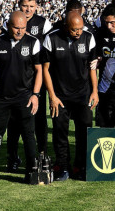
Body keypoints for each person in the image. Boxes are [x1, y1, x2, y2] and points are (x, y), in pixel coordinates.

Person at [0, 11, 43, 183]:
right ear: (8, 25)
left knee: (29, 135)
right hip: (2, 98)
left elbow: (39, 70)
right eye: (16, 27)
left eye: (23, 28)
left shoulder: (33, 42)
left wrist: (36, 95)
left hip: (25, 97)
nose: (19, 31)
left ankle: (32, 172)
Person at [42, 12, 98, 181]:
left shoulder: (89, 38)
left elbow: (92, 68)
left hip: (83, 95)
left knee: (84, 132)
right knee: (60, 132)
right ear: (66, 26)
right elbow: (45, 69)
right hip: (60, 96)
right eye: (74, 30)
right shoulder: (51, 39)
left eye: (80, 28)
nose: (78, 32)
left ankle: (80, 167)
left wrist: (94, 91)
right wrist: (52, 96)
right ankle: (63, 167)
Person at [2, 0, 53, 173]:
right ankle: (13, 157)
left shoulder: (44, 24)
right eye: (25, 5)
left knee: (39, 121)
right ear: (19, 4)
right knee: (13, 123)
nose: (28, 9)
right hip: (15, 82)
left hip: (36, 81)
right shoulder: (9, 23)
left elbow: (49, 50)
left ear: (37, 6)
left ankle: (41, 155)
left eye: (31, 6)